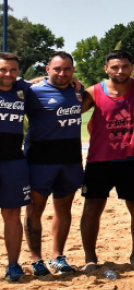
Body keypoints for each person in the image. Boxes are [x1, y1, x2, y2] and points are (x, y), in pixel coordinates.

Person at [79, 49, 134, 270]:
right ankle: (90, 258)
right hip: (100, 160)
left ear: (131, 67)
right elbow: (67, 110)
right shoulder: (93, 93)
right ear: (106, 69)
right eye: (115, 67)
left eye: (125, 66)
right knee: (92, 208)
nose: (120, 71)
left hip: (133, 159)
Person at [23, 51, 86, 276]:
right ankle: (36, 259)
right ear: (47, 69)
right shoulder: (33, 91)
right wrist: (31, 81)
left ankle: (57, 257)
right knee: (33, 211)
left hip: (69, 160)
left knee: (64, 209)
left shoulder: (78, 91)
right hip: (39, 160)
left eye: (67, 69)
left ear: (73, 70)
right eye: (57, 68)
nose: (62, 73)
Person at [0, 53, 31, 282]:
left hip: (13, 160)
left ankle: (13, 264)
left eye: (13, 70)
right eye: (3, 69)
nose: (8, 74)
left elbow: (43, 81)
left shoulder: (22, 89)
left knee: (12, 213)